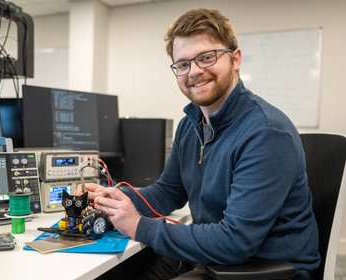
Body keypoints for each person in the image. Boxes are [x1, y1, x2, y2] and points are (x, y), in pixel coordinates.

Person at [84, 8, 320, 280]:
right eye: (183, 64)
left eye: (206, 57)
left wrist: (138, 226)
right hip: (216, 260)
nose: (194, 71)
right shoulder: (191, 124)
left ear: (236, 59)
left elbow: (236, 241)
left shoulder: (266, 133)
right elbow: (168, 192)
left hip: (264, 269)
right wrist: (114, 198)